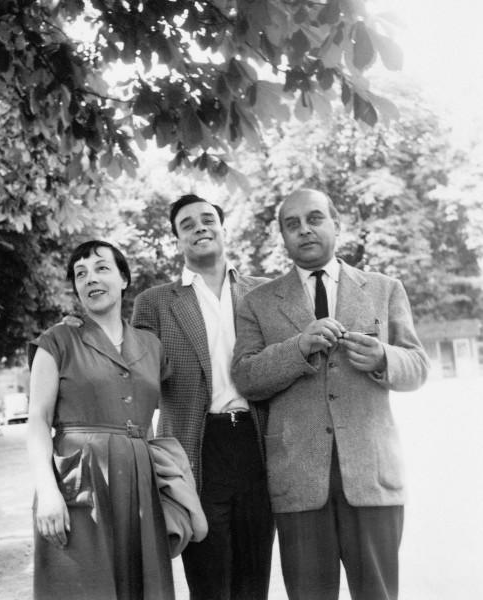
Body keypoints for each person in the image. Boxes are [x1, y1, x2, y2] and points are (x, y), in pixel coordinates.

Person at [231, 189, 429, 600]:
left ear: (337, 224)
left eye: (315, 218)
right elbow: (246, 377)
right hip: (298, 482)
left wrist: (382, 357)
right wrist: (297, 347)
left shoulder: (384, 288)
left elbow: (418, 368)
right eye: (292, 224)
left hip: (372, 478)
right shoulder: (258, 302)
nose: (304, 230)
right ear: (282, 237)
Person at [132, 194, 275, 600]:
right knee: (210, 583)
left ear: (223, 228)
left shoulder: (263, 293)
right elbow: (135, 379)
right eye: (187, 224)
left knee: (254, 580)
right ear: (177, 240)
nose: (200, 227)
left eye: (208, 219)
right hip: (195, 450)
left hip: (257, 445)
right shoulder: (155, 303)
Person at [27, 240, 176, 600]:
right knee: (82, 587)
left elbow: (162, 411)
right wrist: (47, 491)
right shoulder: (57, 340)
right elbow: (37, 421)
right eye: (81, 274)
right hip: (80, 481)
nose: (90, 278)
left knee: (144, 586)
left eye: (101, 268)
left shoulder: (152, 345)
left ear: (124, 278)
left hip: (140, 481)